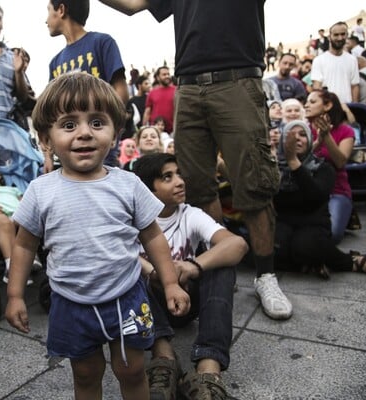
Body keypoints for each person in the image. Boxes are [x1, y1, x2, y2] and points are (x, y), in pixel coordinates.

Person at [99, 0, 292, 324]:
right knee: (198, 189)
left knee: (254, 187)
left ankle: (265, 275)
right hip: (187, 88)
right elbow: (132, 4)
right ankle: (219, 272)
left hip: (238, 81)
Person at [5, 72, 190, 400]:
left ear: (116, 132)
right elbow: (23, 244)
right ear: (46, 139)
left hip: (126, 296)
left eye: (96, 122)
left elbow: (152, 236)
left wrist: (171, 282)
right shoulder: (40, 190)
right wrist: (16, 295)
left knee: (132, 371)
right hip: (71, 301)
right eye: (69, 124)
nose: (85, 134)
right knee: (87, 374)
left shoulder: (128, 184)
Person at [133, 153, 248, 400]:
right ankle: (164, 360)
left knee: (221, 265)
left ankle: (208, 372)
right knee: (129, 271)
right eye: (167, 177)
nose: (180, 181)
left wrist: (191, 266)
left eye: (178, 174)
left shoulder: (189, 214)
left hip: (187, 299)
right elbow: (119, 252)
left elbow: (237, 245)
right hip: (148, 306)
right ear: (147, 190)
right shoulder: (132, 218)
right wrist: (155, 272)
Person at [274, 120, 366, 277]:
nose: (297, 138)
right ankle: (310, 265)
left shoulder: (323, 168)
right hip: (284, 224)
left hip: (312, 225)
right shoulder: (273, 169)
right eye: (291, 136)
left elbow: (315, 196)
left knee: (305, 247)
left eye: (303, 135)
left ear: (310, 141)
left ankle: (350, 261)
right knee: (271, 248)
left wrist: (293, 161)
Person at [45, 0, 128, 169]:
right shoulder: (55, 62)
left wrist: (105, 127)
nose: (45, 20)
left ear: (61, 10)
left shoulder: (102, 42)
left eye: (48, 11)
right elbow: (50, 113)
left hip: (101, 150)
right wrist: (48, 155)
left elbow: (121, 92)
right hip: (69, 153)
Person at [304, 89, 354, 244]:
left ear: (328, 105)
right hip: (308, 192)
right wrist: (317, 142)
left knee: (332, 234)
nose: (306, 105)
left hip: (336, 192)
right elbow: (298, 160)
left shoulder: (346, 131)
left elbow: (340, 161)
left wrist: (326, 136)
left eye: (312, 102)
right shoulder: (302, 130)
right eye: (306, 102)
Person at [311, 22, 359, 104]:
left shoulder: (352, 60)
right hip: (328, 109)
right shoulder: (319, 60)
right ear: (330, 37)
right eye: (336, 35)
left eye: (343, 34)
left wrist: (355, 108)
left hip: (348, 107)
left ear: (347, 35)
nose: (340, 38)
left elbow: (355, 86)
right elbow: (317, 88)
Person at [143, 66, 176, 134]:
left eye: (168, 74)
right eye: (164, 74)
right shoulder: (152, 93)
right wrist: (144, 128)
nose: (167, 76)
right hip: (155, 131)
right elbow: (147, 112)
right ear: (158, 77)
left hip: (173, 131)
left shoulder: (176, 91)